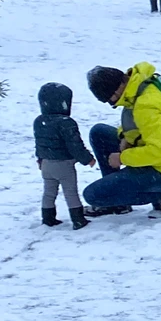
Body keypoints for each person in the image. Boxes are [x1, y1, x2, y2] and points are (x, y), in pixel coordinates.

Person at [81, 63, 161, 217]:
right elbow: (136, 125)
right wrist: (124, 136)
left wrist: (122, 158)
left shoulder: (146, 106)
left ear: (116, 89)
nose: (111, 103)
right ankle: (120, 203)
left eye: (109, 99)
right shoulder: (137, 86)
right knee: (99, 133)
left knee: (94, 196)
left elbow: (159, 151)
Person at [34, 82, 96, 229]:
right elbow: (75, 145)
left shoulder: (39, 121)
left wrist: (40, 158)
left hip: (46, 164)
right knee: (70, 192)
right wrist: (87, 159)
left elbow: (40, 143)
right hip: (64, 164)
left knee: (49, 192)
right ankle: (78, 220)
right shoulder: (66, 123)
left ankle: (48, 218)